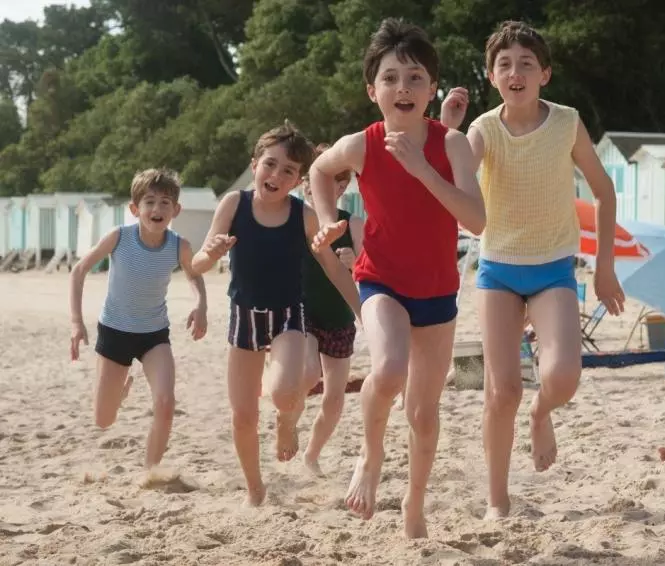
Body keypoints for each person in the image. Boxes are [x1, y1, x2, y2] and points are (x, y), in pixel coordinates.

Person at [440, 20, 624, 519]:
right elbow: (452, 180)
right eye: (504, 65)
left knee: (562, 376)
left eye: (526, 64)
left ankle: (541, 415)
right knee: (503, 392)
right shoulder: (482, 130)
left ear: (545, 74)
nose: (515, 72)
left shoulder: (567, 123)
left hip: (553, 270)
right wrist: (448, 130)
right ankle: (497, 500)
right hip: (498, 271)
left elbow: (604, 191)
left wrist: (604, 268)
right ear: (491, 76)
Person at [309, 18, 485, 538]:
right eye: (390, 78)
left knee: (423, 413)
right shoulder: (361, 145)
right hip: (380, 279)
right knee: (387, 369)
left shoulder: (453, 145)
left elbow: (477, 221)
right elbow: (319, 171)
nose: (402, 87)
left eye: (414, 78)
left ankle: (414, 504)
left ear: (431, 89)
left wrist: (423, 170)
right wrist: (327, 220)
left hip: (437, 291)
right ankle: (370, 455)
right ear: (373, 90)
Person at [191, 121, 360, 507]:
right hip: (244, 318)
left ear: (298, 180)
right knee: (243, 416)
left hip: (288, 316)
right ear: (255, 165)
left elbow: (334, 270)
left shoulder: (303, 215)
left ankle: (286, 422)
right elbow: (198, 263)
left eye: (288, 171)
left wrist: (363, 311)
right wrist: (210, 253)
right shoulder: (233, 204)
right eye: (270, 164)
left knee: (285, 393)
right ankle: (255, 489)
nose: (276, 176)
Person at [69, 168, 208, 470]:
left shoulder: (179, 245)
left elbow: (194, 275)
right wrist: (77, 323)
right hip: (114, 333)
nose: (157, 208)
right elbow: (79, 271)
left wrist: (201, 306)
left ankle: (151, 471)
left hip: (154, 336)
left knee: (166, 402)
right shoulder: (119, 237)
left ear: (176, 210)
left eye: (165, 202)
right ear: (135, 209)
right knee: (103, 420)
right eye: (149, 202)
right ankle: (120, 393)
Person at [300, 144, 365, 477]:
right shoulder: (295, 218)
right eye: (309, 180)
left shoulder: (353, 224)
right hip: (302, 314)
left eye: (338, 182)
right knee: (308, 372)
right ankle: (287, 420)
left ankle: (311, 455)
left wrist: (355, 264)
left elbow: (370, 272)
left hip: (340, 317)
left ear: (342, 188)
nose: (311, 186)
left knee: (335, 399)